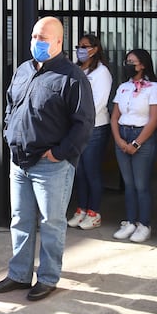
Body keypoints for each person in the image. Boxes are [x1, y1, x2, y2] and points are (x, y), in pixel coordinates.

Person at [0, 17, 94, 301]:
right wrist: (9, 131)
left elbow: (84, 123)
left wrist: (59, 152)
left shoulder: (73, 77)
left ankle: (47, 277)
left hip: (51, 165)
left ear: (59, 41)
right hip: (19, 160)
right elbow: (10, 103)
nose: (37, 42)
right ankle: (19, 274)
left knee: (51, 222)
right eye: (35, 36)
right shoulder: (23, 70)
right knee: (20, 219)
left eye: (44, 38)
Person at [110, 48, 157, 243]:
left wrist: (136, 143)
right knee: (129, 185)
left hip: (142, 138)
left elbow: (154, 119)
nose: (128, 65)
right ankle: (130, 221)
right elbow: (115, 116)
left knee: (141, 185)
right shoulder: (123, 87)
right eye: (127, 61)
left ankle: (144, 224)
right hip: (122, 135)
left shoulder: (153, 88)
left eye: (132, 62)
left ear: (143, 64)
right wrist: (119, 141)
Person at [67, 34, 112, 230]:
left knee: (92, 171)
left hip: (95, 128)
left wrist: (76, 115)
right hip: (76, 127)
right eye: (79, 46)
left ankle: (94, 212)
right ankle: (82, 209)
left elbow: (98, 103)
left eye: (85, 46)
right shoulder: (76, 69)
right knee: (80, 171)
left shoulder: (102, 73)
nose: (81, 49)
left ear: (95, 48)